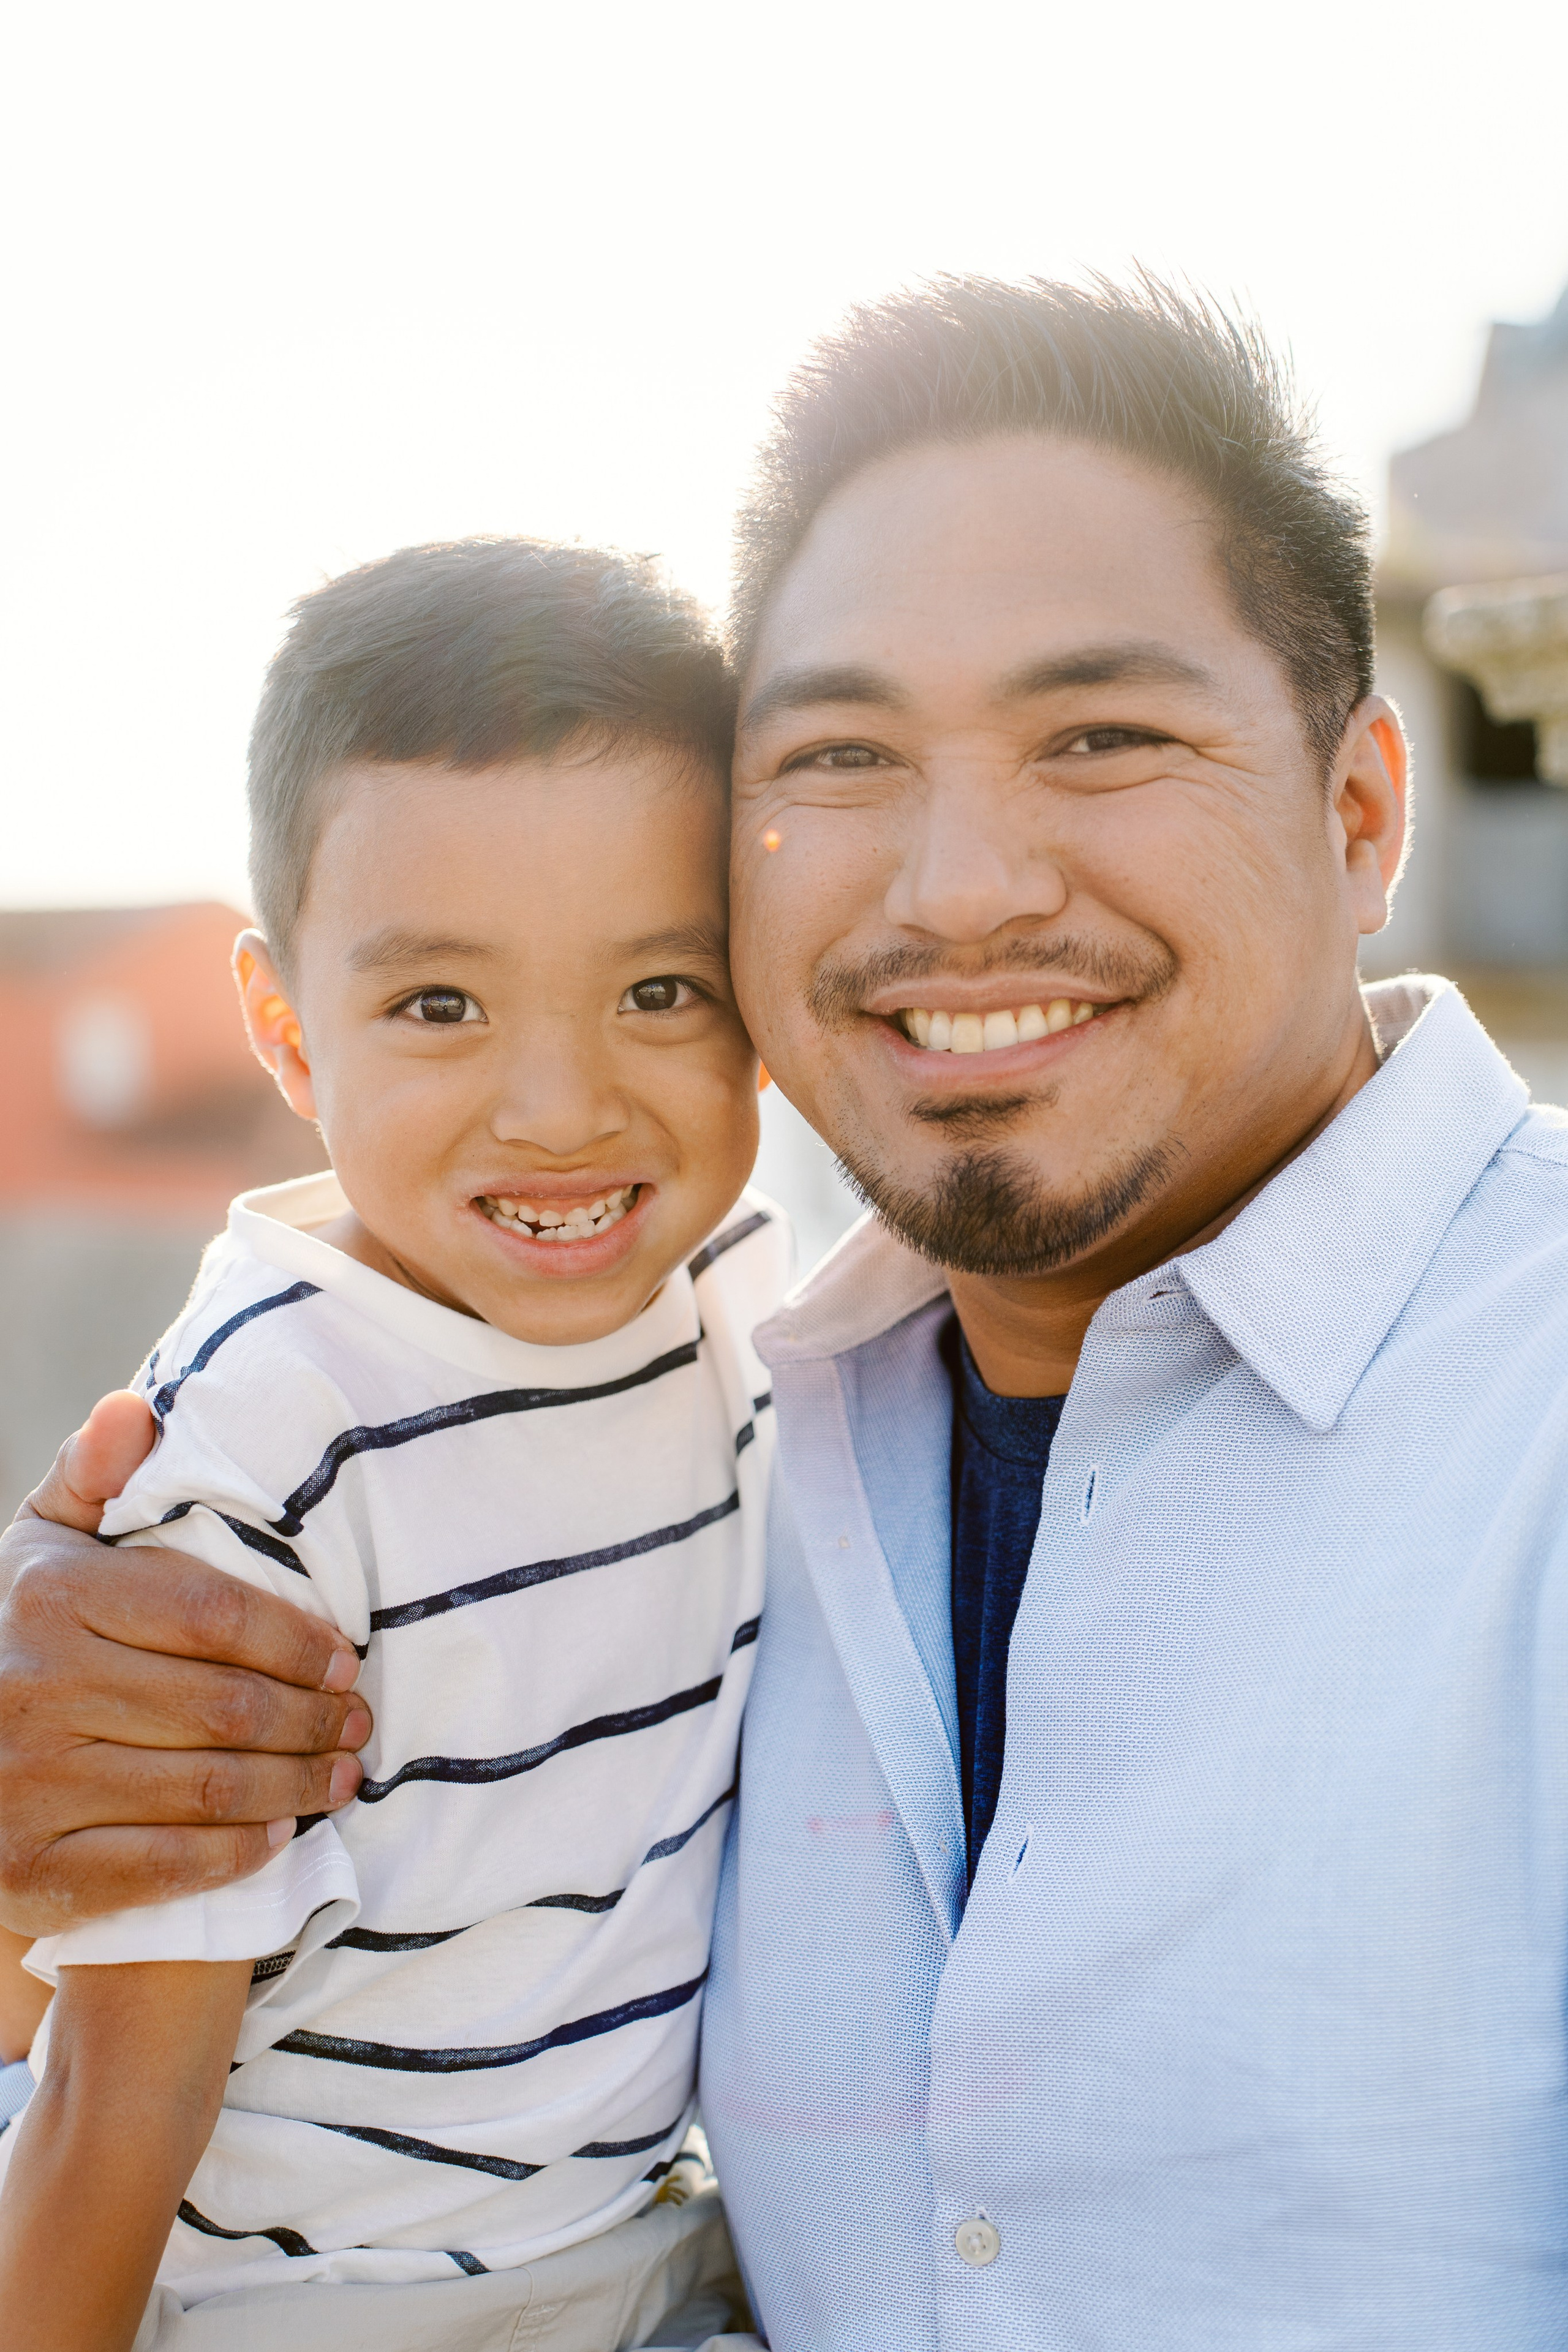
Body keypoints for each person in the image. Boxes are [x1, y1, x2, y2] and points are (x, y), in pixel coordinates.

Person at [6, 273, 1568, 2346]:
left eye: (1101, 735)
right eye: (839, 754)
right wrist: (78, 1789)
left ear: (1364, 808)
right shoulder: (741, 1392)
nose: (958, 886)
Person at [0, 539, 785, 2350]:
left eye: (661, 991)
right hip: (310, 2311)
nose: (563, 1104)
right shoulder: (259, 1462)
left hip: (630, 2257)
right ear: (282, 1023)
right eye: (440, 1005)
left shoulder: (738, 1292)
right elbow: (106, 2124)